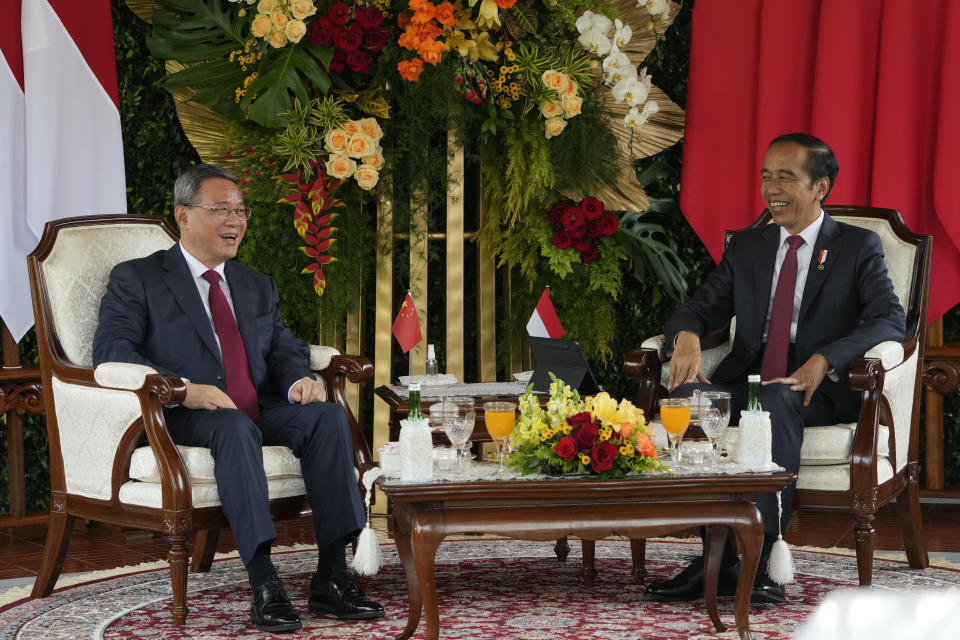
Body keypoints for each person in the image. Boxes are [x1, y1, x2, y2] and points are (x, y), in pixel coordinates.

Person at [93, 164, 384, 633]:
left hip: (258, 407)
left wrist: (297, 383)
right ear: (183, 216)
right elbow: (111, 352)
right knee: (234, 428)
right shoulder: (139, 278)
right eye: (221, 210)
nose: (236, 220)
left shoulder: (255, 283)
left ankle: (331, 576)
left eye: (241, 210)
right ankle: (265, 583)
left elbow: (284, 347)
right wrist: (184, 389)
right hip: (184, 413)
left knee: (327, 418)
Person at [648, 133, 905, 604]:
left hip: (817, 386)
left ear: (819, 187)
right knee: (686, 400)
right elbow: (701, 307)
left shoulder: (856, 246)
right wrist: (685, 335)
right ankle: (717, 557)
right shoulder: (750, 246)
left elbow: (889, 319)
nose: (771, 188)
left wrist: (825, 359)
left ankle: (765, 554)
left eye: (786, 176)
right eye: (766, 175)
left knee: (773, 403)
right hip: (748, 374)